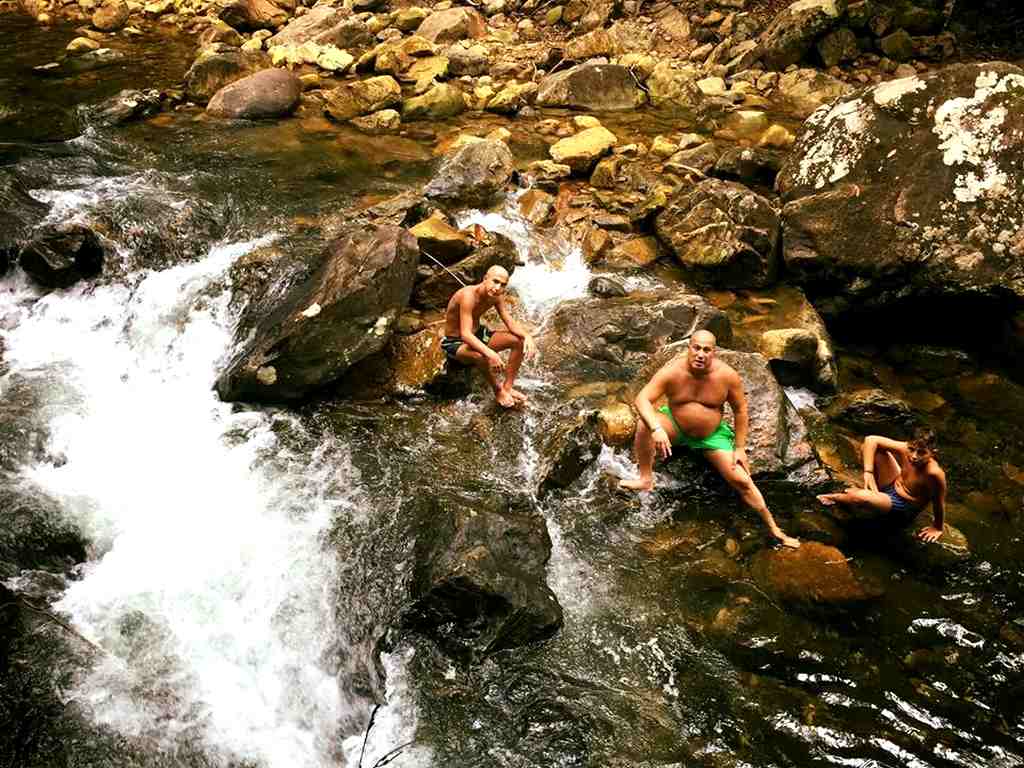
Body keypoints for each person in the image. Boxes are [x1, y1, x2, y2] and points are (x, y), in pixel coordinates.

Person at [620, 330, 800, 549]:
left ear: (714, 353)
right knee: (644, 425)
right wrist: (657, 428)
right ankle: (645, 478)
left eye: (707, 350)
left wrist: (740, 448)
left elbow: (741, 410)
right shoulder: (672, 371)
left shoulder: (727, 376)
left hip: (711, 436)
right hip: (675, 426)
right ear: (689, 348)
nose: (701, 354)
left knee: (743, 481)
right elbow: (642, 399)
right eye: (696, 348)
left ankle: (774, 529)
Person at [817, 428, 947, 542]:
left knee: (860, 497)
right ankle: (872, 494)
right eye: (912, 449)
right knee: (872, 448)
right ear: (909, 444)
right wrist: (869, 472)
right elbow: (871, 439)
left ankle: (834, 497)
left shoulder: (934, 474)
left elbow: (938, 501)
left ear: (933, 452)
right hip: (893, 483)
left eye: (922, 453)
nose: (913, 456)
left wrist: (937, 527)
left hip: (902, 505)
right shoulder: (906, 448)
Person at [441, 265, 536, 408]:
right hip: (456, 342)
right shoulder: (467, 296)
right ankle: (497, 390)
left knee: (518, 341)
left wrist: (527, 335)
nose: (498, 287)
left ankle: (508, 387)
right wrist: (491, 354)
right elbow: (465, 334)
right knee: (480, 356)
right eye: (495, 281)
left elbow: (509, 321)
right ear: (485, 279)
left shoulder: (496, 297)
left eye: (503, 285)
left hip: (479, 335)